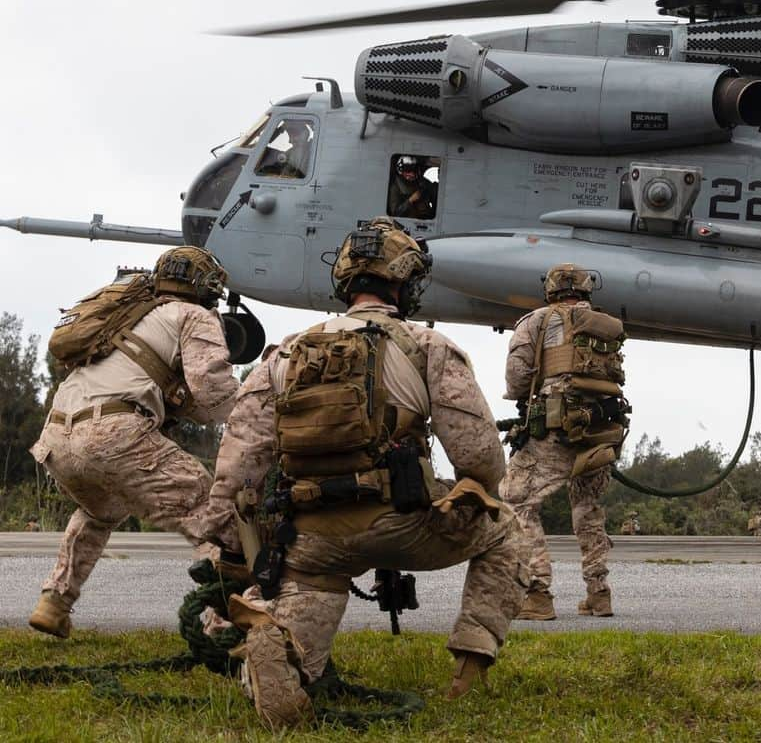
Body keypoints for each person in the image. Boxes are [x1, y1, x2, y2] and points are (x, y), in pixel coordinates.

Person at [190, 217, 528, 727]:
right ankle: (471, 662)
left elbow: (238, 469)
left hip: (311, 540)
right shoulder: (427, 347)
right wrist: (467, 491)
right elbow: (479, 458)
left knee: (305, 634)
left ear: (344, 283)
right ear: (405, 282)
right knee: (507, 530)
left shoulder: (283, 354)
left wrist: (237, 551)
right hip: (406, 524)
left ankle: (277, 654)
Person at [27, 247, 237, 639]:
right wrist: (260, 412)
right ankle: (223, 627)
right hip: (114, 433)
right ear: (207, 288)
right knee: (215, 516)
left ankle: (54, 603)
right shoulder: (194, 316)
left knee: (99, 512)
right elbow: (214, 395)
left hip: (57, 436)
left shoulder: (130, 317)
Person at [500, 263, 630, 621]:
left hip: (555, 428)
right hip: (601, 428)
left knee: (517, 501)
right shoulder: (604, 325)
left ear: (550, 291)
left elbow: (516, 378)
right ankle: (599, 594)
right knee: (587, 507)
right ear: (587, 290)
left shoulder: (536, 321)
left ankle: (537, 594)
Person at [387, 155, 437, 220]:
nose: (412, 174)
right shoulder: (396, 188)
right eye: (408, 170)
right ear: (401, 170)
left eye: (414, 169)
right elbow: (395, 213)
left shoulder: (422, 182)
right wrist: (410, 200)